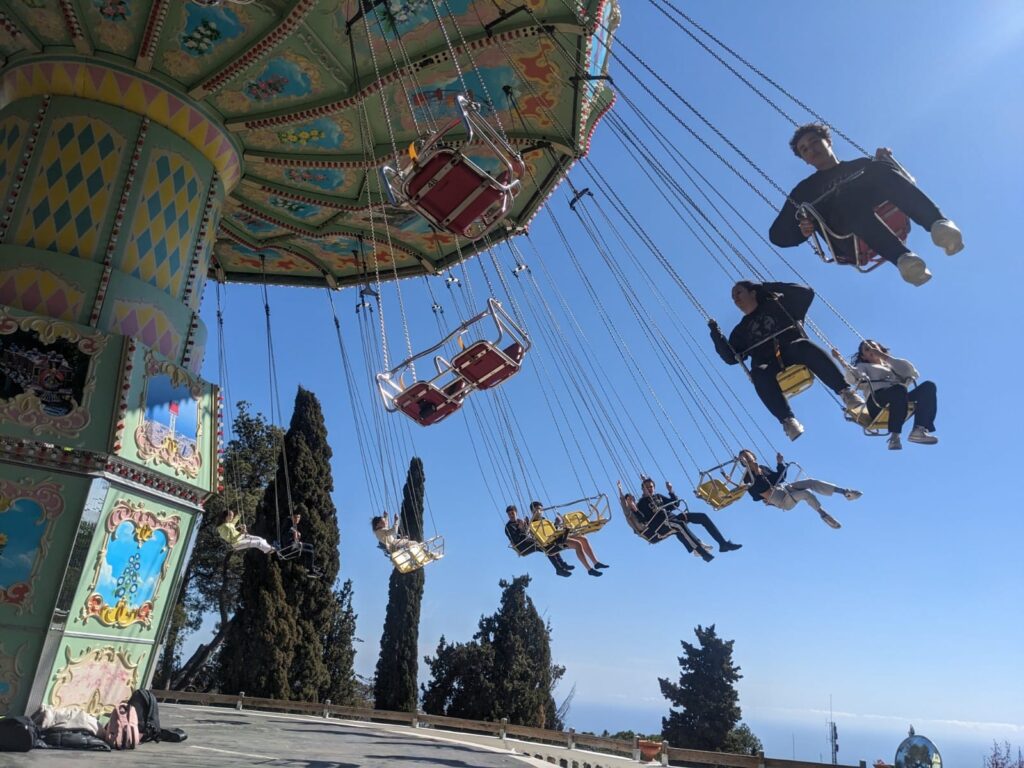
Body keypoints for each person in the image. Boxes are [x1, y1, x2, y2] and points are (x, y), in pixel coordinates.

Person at [769, 123, 964, 287]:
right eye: (804, 149)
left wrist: (885, 162)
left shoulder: (862, 165)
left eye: (814, 142)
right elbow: (777, 235)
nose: (811, 149)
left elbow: (897, 183)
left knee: (877, 169)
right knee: (845, 198)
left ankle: (938, 225)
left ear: (828, 141)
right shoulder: (804, 191)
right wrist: (803, 230)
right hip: (845, 236)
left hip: (881, 212)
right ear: (804, 160)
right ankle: (903, 259)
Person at [709, 280, 864, 440]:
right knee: (758, 373)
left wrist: (766, 286)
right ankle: (787, 420)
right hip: (768, 364)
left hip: (792, 350)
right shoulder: (740, 331)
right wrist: (715, 333)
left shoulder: (778, 305)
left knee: (804, 346)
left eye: (738, 292)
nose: (735, 298)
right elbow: (731, 357)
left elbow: (806, 293)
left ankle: (846, 392)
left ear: (753, 292)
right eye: (733, 297)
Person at [837, 340, 938, 450]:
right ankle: (895, 437)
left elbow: (912, 372)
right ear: (863, 356)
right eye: (867, 349)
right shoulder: (863, 366)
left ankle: (918, 430)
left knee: (929, 386)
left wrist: (883, 356)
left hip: (899, 397)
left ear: (880, 349)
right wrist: (840, 360)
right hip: (876, 401)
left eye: (873, 347)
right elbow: (853, 377)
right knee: (899, 389)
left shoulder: (892, 366)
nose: (871, 350)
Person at [738, 449, 860, 529]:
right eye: (745, 459)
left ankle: (845, 492)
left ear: (754, 456)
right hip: (780, 500)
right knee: (805, 493)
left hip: (783, 488)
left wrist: (779, 463)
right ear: (743, 463)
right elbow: (757, 493)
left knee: (810, 482)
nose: (748, 459)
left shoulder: (763, 468)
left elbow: (779, 478)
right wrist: (757, 474)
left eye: (748, 457)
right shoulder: (747, 477)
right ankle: (824, 515)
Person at [635, 477, 741, 561]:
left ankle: (723, 543)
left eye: (651, 487)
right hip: (661, 525)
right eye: (647, 487)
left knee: (702, 517)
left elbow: (674, 505)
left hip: (672, 519)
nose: (650, 489)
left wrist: (670, 491)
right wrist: (633, 508)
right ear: (643, 489)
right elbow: (643, 519)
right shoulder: (641, 503)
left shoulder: (658, 496)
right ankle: (701, 552)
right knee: (679, 525)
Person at [529, 501, 608, 577]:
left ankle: (596, 563)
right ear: (532, 511)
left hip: (558, 537)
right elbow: (542, 537)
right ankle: (589, 569)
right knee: (577, 544)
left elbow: (553, 530)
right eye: (537, 509)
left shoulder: (545, 520)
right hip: (554, 542)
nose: (540, 511)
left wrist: (557, 523)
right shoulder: (532, 524)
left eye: (541, 509)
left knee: (583, 539)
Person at [503, 505, 574, 577]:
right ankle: (559, 568)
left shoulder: (519, 521)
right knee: (543, 544)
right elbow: (516, 539)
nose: (511, 515)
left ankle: (561, 564)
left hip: (528, 541)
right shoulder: (508, 526)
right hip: (521, 546)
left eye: (512, 513)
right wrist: (520, 528)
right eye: (509, 514)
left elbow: (527, 532)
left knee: (548, 542)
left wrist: (526, 524)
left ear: (516, 512)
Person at [370, 512, 441, 565]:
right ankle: (430, 555)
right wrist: (396, 521)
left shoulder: (378, 531)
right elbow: (394, 531)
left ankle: (422, 557)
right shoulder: (381, 531)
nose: (385, 523)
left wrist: (386, 516)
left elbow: (386, 525)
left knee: (410, 547)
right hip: (394, 544)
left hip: (393, 545)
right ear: (377, 524)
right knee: (414, 544)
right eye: (383, 522)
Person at [284, 512, 322, 577]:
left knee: (310, 546)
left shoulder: (291, 524)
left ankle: (310, 566)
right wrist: (296, 539)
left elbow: (290, 530)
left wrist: (296, 533)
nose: (298, 519)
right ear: (293, 517)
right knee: (310, 553)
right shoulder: (288, 524)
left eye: (299, 517)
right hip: (290, 549)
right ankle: (311, 572)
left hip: (293, 545)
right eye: (296, 517)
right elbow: (287, 540)